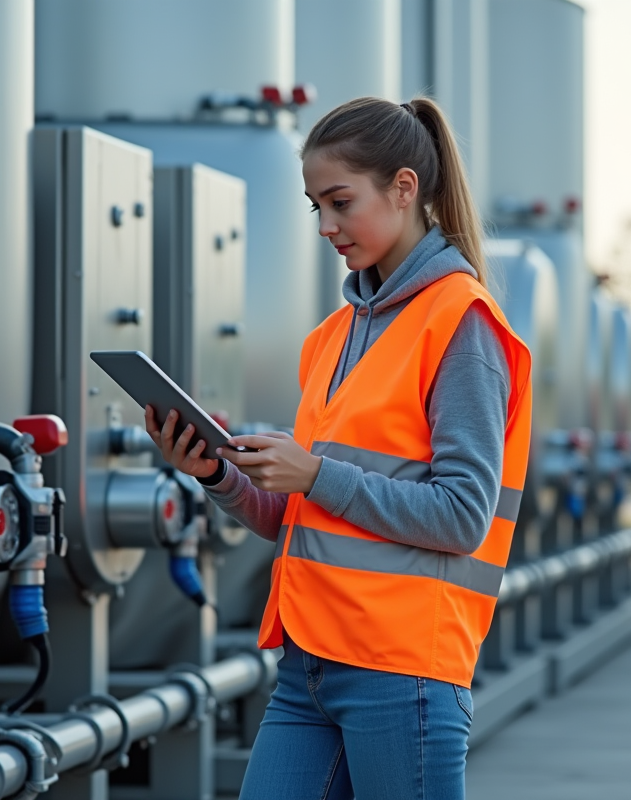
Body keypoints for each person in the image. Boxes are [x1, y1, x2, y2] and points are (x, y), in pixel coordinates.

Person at [145, 96, 532, 800]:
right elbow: (302, 515)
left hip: (403, 668)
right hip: (309, 665)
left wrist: (316, 472)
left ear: (405, 188)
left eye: (340, 202)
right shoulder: (331, 339)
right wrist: (222, 476)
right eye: (313, 206)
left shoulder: (461, 323)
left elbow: (461, 516)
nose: (325, 226)